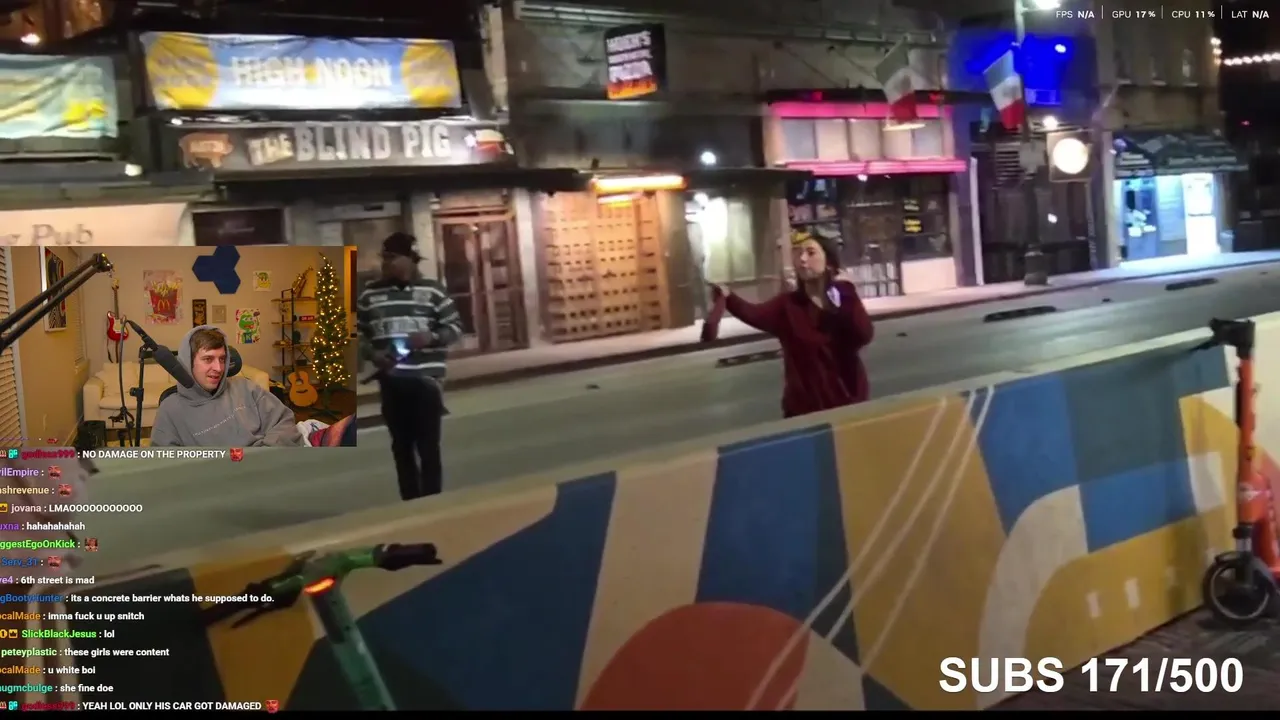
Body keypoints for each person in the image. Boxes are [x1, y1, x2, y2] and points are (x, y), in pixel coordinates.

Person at [709, 232, 875, 418]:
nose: (802, 259)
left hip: (848, 407)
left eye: (810, 253)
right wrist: (729, 297)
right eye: (798, 253)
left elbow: (864, 335)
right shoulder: (787, 306)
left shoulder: (843, 300)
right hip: (804, 412)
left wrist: (847, 292)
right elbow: (753, 314)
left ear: (828, 262)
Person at [356, 232, 463, 501]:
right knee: (401, 447)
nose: (386, 263)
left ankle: (432, 502)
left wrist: (432, 337)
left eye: (392, 257)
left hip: (426, 382)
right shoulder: (370, 294)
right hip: (391, 382)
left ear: (410, 259)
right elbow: (355, 333)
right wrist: (372, 353)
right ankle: (410, 503)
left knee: (428, 447)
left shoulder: (433, 291)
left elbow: (455, 328)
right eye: (384, 258)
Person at [151, 326, 305, 447]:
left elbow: (283, 422)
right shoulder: (170, 410)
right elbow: (166, 462)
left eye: (222, 359)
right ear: (188, 363)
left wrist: (265, 456)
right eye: (208, 359)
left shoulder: (246, 388)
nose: (218, 368)